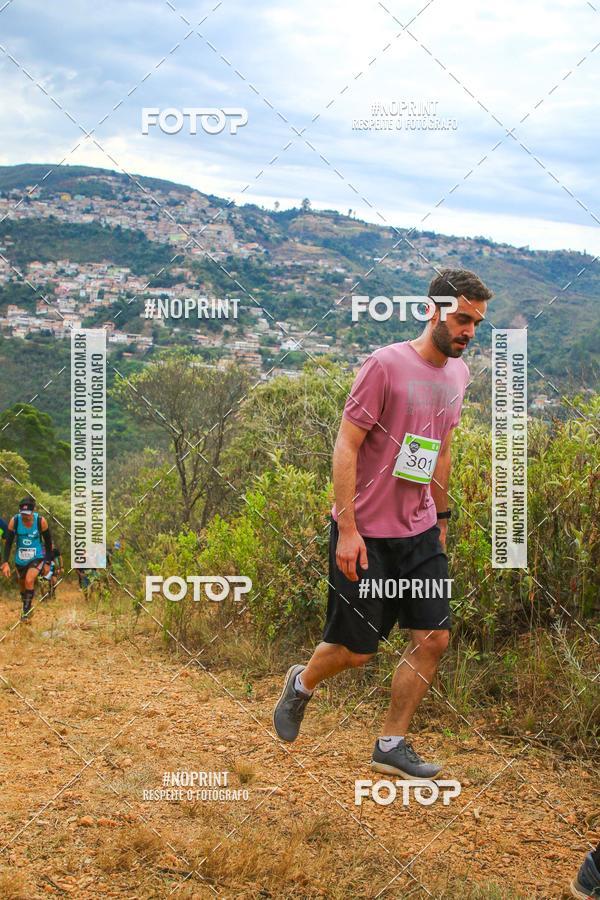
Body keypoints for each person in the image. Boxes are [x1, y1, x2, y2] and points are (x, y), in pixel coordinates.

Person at [273, 269, 492, 778]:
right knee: (355, 652)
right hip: (368, 533)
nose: (469, 332)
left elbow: (441, 452)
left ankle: (391, 745)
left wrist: (440, 516)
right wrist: (348, 530)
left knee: (433, 638)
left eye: (477, 323)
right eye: (462, 319)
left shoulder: (458, 376)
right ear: (431, 310)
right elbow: (346, 445)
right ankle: (302, 683)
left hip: (418, 532)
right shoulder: (385, 365)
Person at [1, 496, 53, 620]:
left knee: (29, 580)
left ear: (33, 510)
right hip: (20, 559)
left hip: (37, 556)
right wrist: (5, 562)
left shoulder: (41, 521)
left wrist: (47, 562)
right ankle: (26, 604)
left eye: (28, 514)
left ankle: (26, 613)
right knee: (22, 583)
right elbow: (8, 542)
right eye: (23, 514)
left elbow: (48, 542)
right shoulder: (15, 521)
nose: (26, 516)